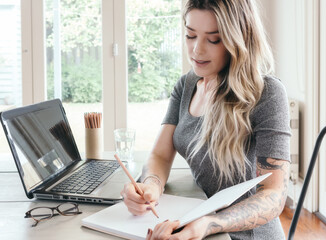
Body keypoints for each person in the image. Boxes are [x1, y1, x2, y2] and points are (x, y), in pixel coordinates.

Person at [121, 0, 291, 239]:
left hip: (248, 235)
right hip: (199, 225)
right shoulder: (187, 85)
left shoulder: (266, 93)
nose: (196, 50)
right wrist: (151, 186)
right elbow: (160, 154)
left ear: (238, 40)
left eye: (213, 39)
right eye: (190, 35)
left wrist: (209, 223)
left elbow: (273, 196)